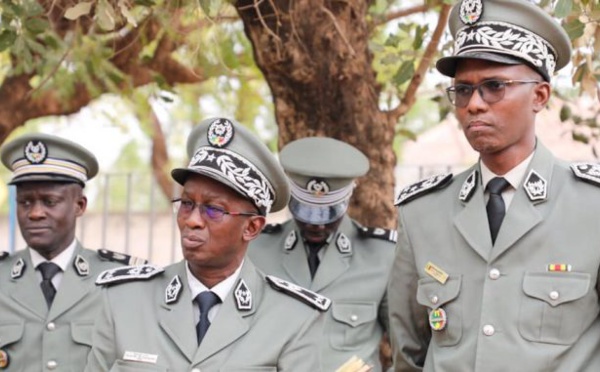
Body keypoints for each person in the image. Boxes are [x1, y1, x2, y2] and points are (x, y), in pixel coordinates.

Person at [387, 0, 600, 370]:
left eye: (494, 86)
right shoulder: (422, 212)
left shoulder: (591, 206)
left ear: (540, 95)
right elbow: (409, 352)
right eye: (464, 90)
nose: (474, 105)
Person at [85, 117, 332, 371]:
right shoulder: (123, 300)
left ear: (252, 227)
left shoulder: (294, 318)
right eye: (187, 204)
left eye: (213, 210)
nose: (192, 220)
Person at [249, 137, 397, 371]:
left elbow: (410, 347)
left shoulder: (382, 256)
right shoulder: (256, 251)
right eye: (305, 212)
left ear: (347, 198)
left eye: (329, 214)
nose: (316, 225)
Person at [0, 133, 145, 371]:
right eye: (25, 202)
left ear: (80, 206)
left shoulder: (122, 283)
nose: (35, 213)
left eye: (49, 201)